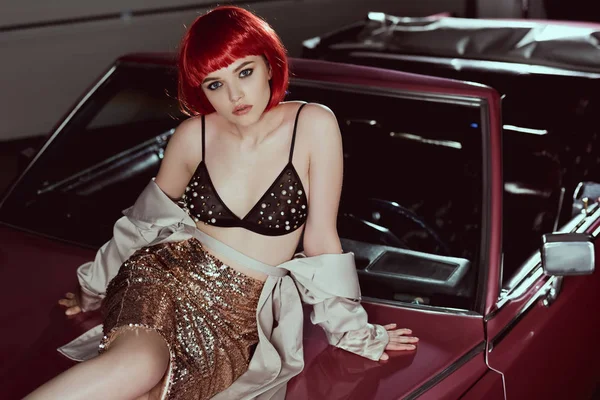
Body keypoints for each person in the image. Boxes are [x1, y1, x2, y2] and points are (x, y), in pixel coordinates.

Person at [24, 5, 418, 400]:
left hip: (240, 319)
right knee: (137, 366)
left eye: (244, 72)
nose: (233, 95)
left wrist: (353, 331)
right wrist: (91, 289)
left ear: (269, 63)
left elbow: (320, 242)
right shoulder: (192, 135)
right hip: (163, 281)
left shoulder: (312, 124)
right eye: (214, 84)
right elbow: (142, 225)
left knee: (155, 393)